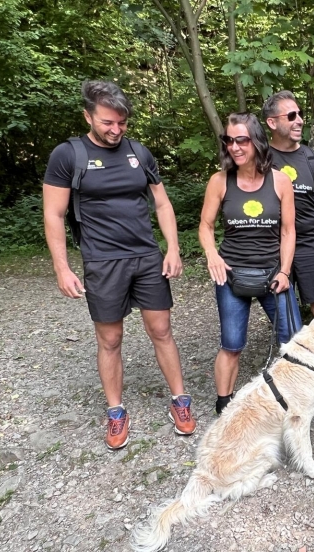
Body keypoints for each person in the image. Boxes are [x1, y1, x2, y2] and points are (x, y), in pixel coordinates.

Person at [43, 80, 195, 450]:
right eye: (108, 123)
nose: (115, 130)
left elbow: (161, 204)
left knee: (162, 330)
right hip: (102, 260)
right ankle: (115, 411)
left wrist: (172, 248)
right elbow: (53, 213)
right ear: (88, 116)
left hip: (145, 257)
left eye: (122, 123)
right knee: (110, 339)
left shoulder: (139, 153)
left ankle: (180, 401)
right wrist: (62, 268)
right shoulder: (68, 155)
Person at [198, 112, 301, 417]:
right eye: (229, 140)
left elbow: (288, 230)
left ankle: (298, 401)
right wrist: (212, 255)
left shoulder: (280, 181)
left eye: (241, 139)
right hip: (231, 275)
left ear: (256, 141)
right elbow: (205, 226)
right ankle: (224, 405)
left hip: (273, 275)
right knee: (231, 344)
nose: (234, 147)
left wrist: (284, 271)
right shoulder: (219, 181)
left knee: (293, 342)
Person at [262, 90, 314, 426]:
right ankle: (295, 374)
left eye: (299, 114)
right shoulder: (261, 157)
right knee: (285, 311)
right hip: (273, 242)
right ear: (272, 123)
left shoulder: (313, 159)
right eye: (290, 116)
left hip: (309, 242)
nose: (299, 121)